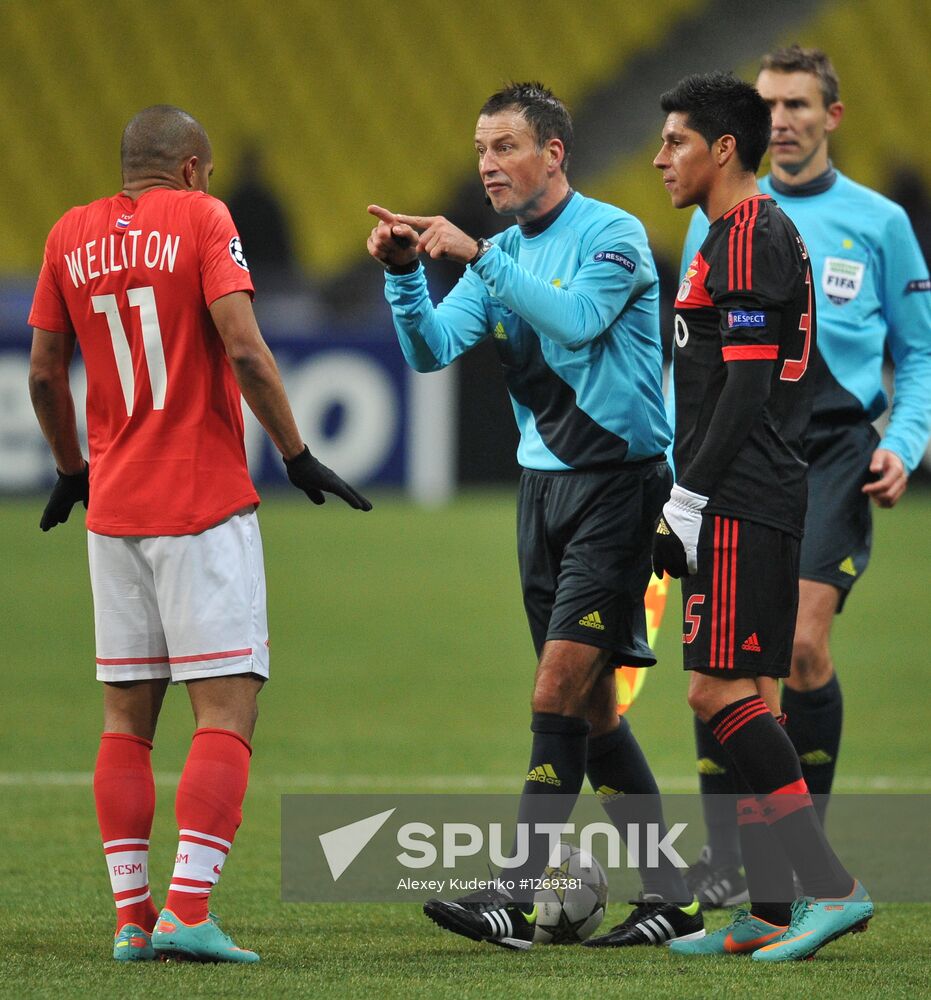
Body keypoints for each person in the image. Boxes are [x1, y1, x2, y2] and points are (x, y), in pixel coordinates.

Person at [28, 105, 371, 964]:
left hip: (112, 513)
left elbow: (41, 372)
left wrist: (73, 467)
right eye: (206, 173)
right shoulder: (204, 218)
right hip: (202, 503)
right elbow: (247, 350)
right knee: (226, 710)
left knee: (124, 722)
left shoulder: (67, 234)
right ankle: (187, 908)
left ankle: (132, 921)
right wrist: (294, 454)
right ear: (189, 169)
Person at [366, 82, 704, 951]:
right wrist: (407, 277)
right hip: (541, 495)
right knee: (589, 713)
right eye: (481, 149)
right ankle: (672, 896)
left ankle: (511, 896)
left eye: (505, 146)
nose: (487, 164)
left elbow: (580, 322)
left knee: (556, 687)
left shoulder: (614, 237)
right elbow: (432, 350)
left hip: (617, 490)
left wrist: (479, 256)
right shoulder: (504, 254)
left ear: (553, 153)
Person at [679, 47, 931, 910]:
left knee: (795, 650)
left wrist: (907, 438)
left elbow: (919, 349)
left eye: (796, 103)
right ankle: (747, 878)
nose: (780, 117)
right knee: (727, 667)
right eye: (768, 104)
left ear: (833, 115)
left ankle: (802, 870)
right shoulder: (719, 213)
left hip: (827, 448)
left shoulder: (879, 222)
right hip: (737, 450)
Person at [652, 70, 873, 962]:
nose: (661, 157)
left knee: (717, 692)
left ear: (723, 148)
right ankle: (772, 909)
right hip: (744, 490)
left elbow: (745, 384)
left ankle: (831, 889)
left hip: (744, 494)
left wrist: (687, 496)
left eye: (675, 141)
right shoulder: (730, 234)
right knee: (737, 692)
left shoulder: (745, 237)